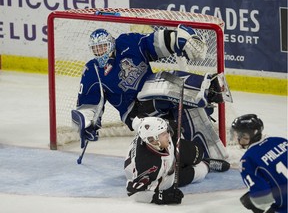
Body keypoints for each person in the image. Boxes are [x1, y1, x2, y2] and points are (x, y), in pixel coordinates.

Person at [71, 24, 229, 159]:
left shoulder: (127, 42)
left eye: (103, 46)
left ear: (111, 44)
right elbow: (88, 105)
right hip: (135, 112)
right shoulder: (92, 71)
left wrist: (176, 39)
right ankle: (208, 89)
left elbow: (152, 43)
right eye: (96, 49)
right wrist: (87, 125)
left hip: (155, 95)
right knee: (161, 82)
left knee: (191, 109)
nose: (100, 51)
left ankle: (210, 156)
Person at [124, 116, 230, 204]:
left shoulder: (148, 130)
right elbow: (135, 193)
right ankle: (207, 164)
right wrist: (161, 197)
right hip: (155, 171)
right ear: (152, 140)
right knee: (188, 175)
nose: (168, 135)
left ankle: (201, 159)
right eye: (163, 133)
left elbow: (136, 121)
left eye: (166, 131)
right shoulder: (147, 166)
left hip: (164, 149)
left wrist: (171, 124)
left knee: (197, 153)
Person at [230, 114, 287, 213]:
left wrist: (252, 201)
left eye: (242, 135)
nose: (239, 138)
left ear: (252, 134)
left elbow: (263, 199)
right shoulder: (281, 140)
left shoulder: (247, 160)